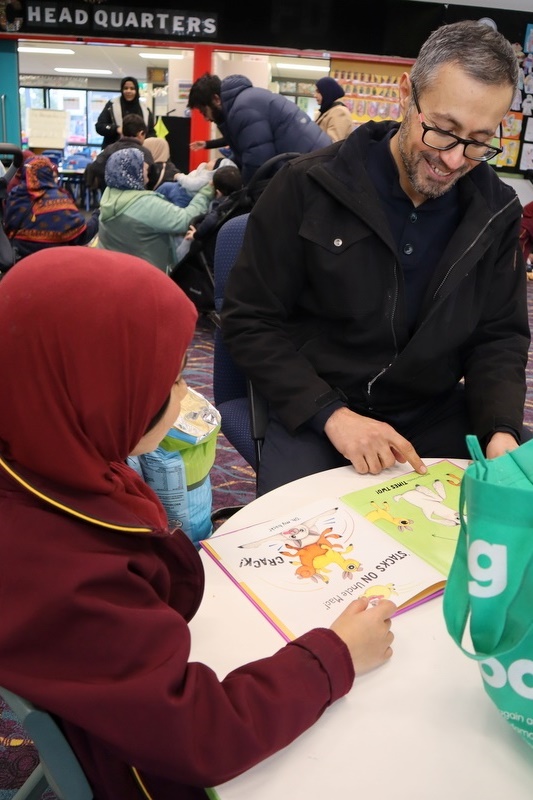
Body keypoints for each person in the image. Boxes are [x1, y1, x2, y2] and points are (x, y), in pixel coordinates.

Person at [0, 247, 395, 800]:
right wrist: (336, 656)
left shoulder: (50, 445)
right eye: (170, 378)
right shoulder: (59, 575)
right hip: (141, 764)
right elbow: (199, 737)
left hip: (131, 685)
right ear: (96, 391)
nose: (186, 394)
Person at [221, 20, 531, 496]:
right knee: (309, 550)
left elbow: (499, 336)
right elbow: (249, 321)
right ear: (406, 94)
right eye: (443, 132)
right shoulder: (305, 187)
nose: (453, 161)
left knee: (505, 531)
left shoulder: (495, 212)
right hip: (320, 410)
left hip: (433, 411)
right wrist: (332, 416)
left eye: (478, 141)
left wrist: (500, 430)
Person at [187, 73, 332, 183]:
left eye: (203, 111)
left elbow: (257, 160)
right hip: (313, 166)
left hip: (316, 171)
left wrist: (242, 192)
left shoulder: (242, 108)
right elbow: (248, 149)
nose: (206, 118)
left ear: (216, 99)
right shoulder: (242, 103)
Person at [97, 148, 213, 273]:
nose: (147, 167)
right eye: (141, 165)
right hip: (147, 275)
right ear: (132, 171)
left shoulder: (109, 195)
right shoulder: (144, 204)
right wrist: (205, 193)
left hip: (115, 270)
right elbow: (185, 220)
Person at [4, 155, 99, 259]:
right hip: (55, 264)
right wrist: (97, 216)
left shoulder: (14, 196)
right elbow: (82, 235)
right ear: (48, 173)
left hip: (19, 265)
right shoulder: (61, 202)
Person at [175, 164, 244, 265]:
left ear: (218, 192)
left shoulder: (219, 207)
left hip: (210, 245)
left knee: (182, 246)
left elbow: (210, 220)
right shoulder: (241, 201)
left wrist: (196, 234)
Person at [85, 113, 154, 191]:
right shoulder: (145, 153)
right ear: (141, 133)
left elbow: (96, 167)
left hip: (110, 198)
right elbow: (151, 179)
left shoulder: (109, 149)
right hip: (137, 199)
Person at [95, 76, 156, 148]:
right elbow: (100, 126)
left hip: (139, 151)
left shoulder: (145, 109)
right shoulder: (111, 105)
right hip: (114, 150)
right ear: (121, 90)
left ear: (136, 90)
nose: (128, 91)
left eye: (132, 88)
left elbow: (151, 132)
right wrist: (116, 129)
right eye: (125, 88)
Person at [314, 76, 354, 142]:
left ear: (327, 91)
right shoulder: (325, 111)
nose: (315, 95)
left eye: (318, 91)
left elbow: (333, 144)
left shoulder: (339, 112)